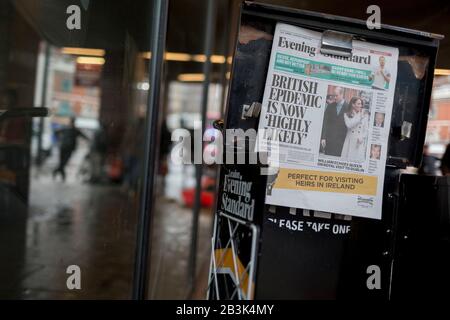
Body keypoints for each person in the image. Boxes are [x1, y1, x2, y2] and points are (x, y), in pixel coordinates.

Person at [53, 117, 89, 181]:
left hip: (65, 147)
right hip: (67, 148)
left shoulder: (68, 129)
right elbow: (84, 136)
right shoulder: (72, 129)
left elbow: (56, 132)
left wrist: (59, 139)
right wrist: (59, 139)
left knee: (62, 162)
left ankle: (59, 172)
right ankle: (60, 173)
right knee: (63, 162)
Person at [321, 86, 348, 156]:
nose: (334, 98)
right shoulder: (330, 106)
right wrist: (323, 137)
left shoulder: (348, 108)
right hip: (329, 141)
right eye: (334, 96)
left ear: (342, 95)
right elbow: (325, 122)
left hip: (341, 143)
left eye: (336, 96)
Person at [340, 97, 369, 162]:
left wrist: (362, 137)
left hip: (359, 142)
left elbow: (366, 130)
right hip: (349, 142)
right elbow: (349, 125)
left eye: (361, 104)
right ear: (353, 104)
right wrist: (359, 118)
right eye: (358, 104)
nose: (360, 106)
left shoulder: (365, 115)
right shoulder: (346, 114)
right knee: (347, 161)